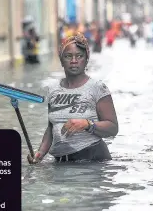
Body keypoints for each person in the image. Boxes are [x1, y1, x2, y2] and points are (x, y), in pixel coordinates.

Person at [28, 33, 118, 164]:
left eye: (79, 56)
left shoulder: (97, 88)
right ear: (61, 60)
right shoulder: (53, 90)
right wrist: (40, 154)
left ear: (86, 59)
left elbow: (113, 128)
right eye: (68, 56)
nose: (74, 61)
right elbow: (51, 128)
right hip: (61, 164)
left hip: (92, 160)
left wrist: (87, 124)